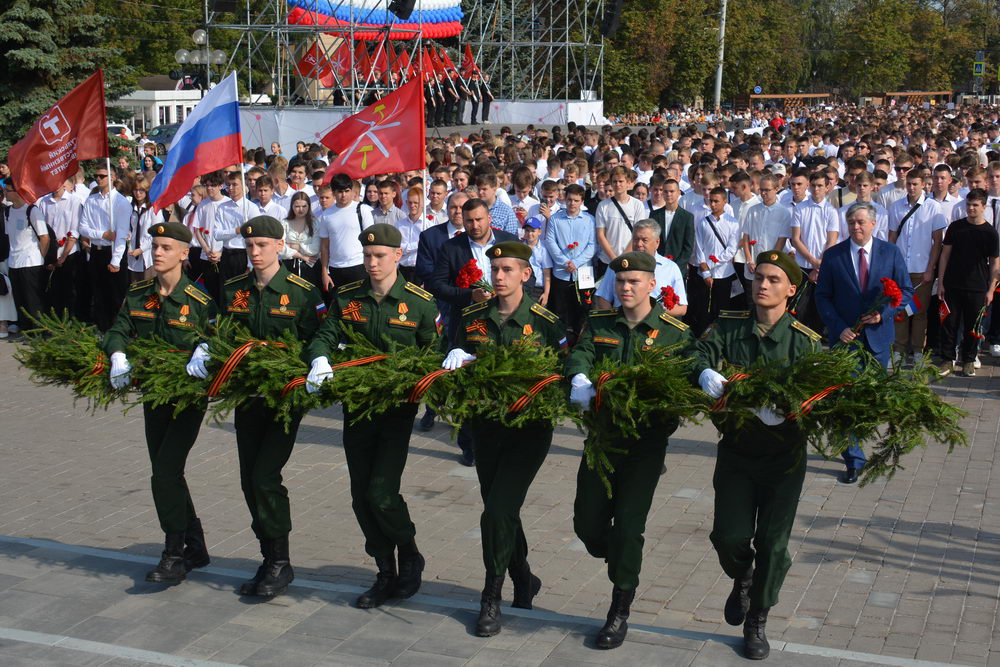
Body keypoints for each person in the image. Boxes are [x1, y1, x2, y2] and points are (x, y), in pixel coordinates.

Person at [186, 215, 325, 597]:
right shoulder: (234, 289)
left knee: (265, 475)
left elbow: (317, 338)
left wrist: (317, 361)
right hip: (247, 398)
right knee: (250, 479)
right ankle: (269, 557)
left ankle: (281, 561)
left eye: (262, 245)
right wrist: (207, 346)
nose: (255, 252)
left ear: (279, 246)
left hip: (284, 400)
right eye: (249, 246)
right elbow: (222, 332)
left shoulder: (300, 292)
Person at [693, 251, 821, 661]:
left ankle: (757, 620)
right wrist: (703, 372)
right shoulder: (729, 329)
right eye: (758, 277)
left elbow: (825, 392)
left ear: (791, 290)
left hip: (783, 459)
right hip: (736, 453)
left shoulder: (805, 341)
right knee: (729, 537)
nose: (762, 285)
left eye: (773, 280)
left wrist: (795, 408)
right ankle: (742, 575)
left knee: (773, 544)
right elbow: (697, 355)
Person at [305, 223, 439, 609]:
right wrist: (319, 357)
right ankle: (385, 572)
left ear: (398, 256)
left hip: (397, 411)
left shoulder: (418, 302)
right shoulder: (349, 297)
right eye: (367, 256)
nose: (372, 263)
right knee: (360, 496)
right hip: (358, 407)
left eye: (379, 255)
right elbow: (327, 334)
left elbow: (433, 353)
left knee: (381, 492)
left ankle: (409, 552)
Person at [565, 250, 694, 650]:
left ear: (652, 285)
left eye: (634, 281)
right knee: (586, 524)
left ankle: (619, 609)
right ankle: (618, 555)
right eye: (620, 281)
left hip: (645, 445)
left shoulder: (674, 332)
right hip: (601, 439)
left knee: (628, 528)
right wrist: (580, 376)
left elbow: (687, 372)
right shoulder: (601, 322)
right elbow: (582, 352)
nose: (625, 287)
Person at [443, 240, 566, 636]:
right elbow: (454, 352)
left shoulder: (545, 321)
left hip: (528, 429)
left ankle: (491, 596)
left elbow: (562, 371)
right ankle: (525, 578)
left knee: (496, 511)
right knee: (502, 509)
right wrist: (457, 358)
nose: (498, 276)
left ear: (526, 275)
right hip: (486, 426)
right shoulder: (475, 315)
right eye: (494, 269)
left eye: (507, 270)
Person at [103, 222, 216, 584]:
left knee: (164, 473)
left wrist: (206, 348)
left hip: (187, 398)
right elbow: (119, 328)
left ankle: (174, 553)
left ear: (185, 253)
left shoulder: (199, 302)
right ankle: (195, 544)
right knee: (168, 472)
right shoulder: (139, 295)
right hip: (154, 396)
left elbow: (218, 334)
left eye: (167, 247)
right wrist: (118, 354)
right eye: (155, 246)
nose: (158, 252)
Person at [815, 202, 913, 484]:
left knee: (870, 401)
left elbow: (905, 291)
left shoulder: (890, 252)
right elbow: (822, 296)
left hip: (878, 341)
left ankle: (864, 438)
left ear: (873, 224)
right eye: (851, 223)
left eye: (861, 222)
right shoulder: (833, 256)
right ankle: (853, 458)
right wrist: (839, 327)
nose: (856, 228)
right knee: (846, 400)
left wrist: (885, 313)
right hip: (845, 341)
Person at [427, 198, 520, 465]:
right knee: (468, 385)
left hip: (505, 323)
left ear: (489, 218)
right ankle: (469, 445)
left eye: (479, 219)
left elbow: (529, 276)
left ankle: (504, 437)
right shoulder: (451, 248)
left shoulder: (509, 241)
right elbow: (438, 285)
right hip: (468, 326)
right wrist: (470, 295)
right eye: (469, 221)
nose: (475, 225)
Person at [937, 188, 1000, 376]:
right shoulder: (956, 227)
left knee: (973, 326)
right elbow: (945, 255)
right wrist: (940, 282)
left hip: (978, 286)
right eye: (968, 204)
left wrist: (990, 289)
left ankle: (969, 360)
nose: (970, 208)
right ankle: (947, 360)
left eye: (975, 205)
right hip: (952, 284)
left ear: (983, 207)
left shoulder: (990, 233)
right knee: (949, 324)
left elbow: (995, 263)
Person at [887, 170, 945, 365]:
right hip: (901, 269)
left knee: (919, 312)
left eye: (915, 184)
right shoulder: (896, 207)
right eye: (909, 184)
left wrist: (931, 269)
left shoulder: (933, 207)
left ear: (923, 185)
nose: (911, 188)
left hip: (922, 269)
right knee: (901, 310)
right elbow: (892, 238)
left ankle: (918, 350)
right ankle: (899, 351)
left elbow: (937, 242)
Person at [594, 219, 687, 316]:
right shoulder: (618, 265)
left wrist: (656, 313)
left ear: (657, 242)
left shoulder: (670, 268)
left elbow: (682, 308)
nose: (639, 244)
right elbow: (603, 298)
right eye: (635, 239)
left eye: (644, 240)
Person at [78, 167, 133, 330]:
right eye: (96, 176)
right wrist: (102, 234)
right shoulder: (91, 200)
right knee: (99, 293)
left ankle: (121, 330)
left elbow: (121, 234)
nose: (99, 178)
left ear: (113, 177)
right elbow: (83, 228)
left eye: (102, 176)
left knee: (116, 295)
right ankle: (103, 328)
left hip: (114, 252)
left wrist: (115, 260)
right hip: (97, 250)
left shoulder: (120, 201)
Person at [544, 183, 595, 341]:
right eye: (570, 200)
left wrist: (577, 262)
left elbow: (592, 245)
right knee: (560, 310)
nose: (572, 203)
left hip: (584, 272)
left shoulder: (590, 220)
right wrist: (565, 262)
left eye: (576, 200)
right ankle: (561, 343)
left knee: (583, 310)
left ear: (582, 201)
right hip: (562, 272)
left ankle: (581, 342)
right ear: (565, 199)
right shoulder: (555, 219)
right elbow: (550, 242)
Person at [3, 181, 49, 329]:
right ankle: (25, 329)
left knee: (33, 299)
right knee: (20, 299)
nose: (5, 193)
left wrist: (41, 257)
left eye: (8, 190)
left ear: (17, 192)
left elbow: (44, 237)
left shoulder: (32, 211)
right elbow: (10, 236)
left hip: (31, 262)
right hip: (14, 262)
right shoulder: (7, 212)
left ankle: (40, 330)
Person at [318, 173, 375, 293]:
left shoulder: (362, 210)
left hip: (359, 266)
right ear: (333, 193)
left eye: (347, 191)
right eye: (339, 191)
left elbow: (371, 242)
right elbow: (324, 246)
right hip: (335, 268)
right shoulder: (326, 215)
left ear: (352, 191)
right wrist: (324, 272)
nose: (343, 195)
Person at [113, 177, 162, 281]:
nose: (138, 193)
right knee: (134, 287)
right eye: (135, 190)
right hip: (133, 255)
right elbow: (130, 228)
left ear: (147, 191)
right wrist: (128, 234)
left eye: (141, 190)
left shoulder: (153, 209)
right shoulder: (131, 208)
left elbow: (157, 234)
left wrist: (141, 249)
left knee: (148, 289)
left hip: (148, 256)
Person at [649, 178, 695, 267]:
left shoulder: (687, 217)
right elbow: (652, 241)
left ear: (678, 193)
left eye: (671, 191)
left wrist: (676, 266)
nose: (668, 194)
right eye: (665, 191)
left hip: (678, 267)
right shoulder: (654, 215)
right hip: (658, 265)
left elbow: (688, 247)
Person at [282, 191, 322, 288]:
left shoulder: (314, 223)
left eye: (304, 206)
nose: (301, 209)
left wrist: (296, 246)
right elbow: (281, 248)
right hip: (289, 267)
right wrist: (301, 256)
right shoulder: (284, 223)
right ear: (292, 206)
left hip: (310, 267)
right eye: (297, 206)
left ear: (309, 206)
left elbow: (315, 249)